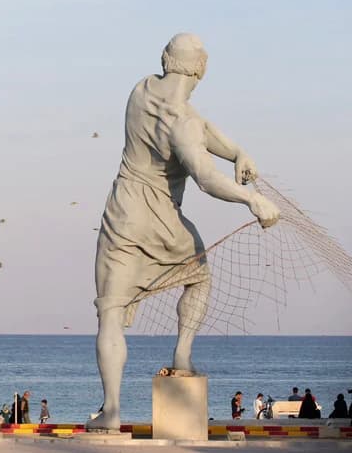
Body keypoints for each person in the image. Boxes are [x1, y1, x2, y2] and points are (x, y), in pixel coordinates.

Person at [88, 34, 280, 431]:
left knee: (110, 313)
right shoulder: (184, 123)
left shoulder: (140, 90)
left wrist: (236, 152)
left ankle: (111, 410)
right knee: (201, 274)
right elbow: (206, 176)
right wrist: (251, 199)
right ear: (201, 69)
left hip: (122, 214)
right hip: (161, 220)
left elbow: (201, 129)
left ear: (164, 59)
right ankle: (182, 354)